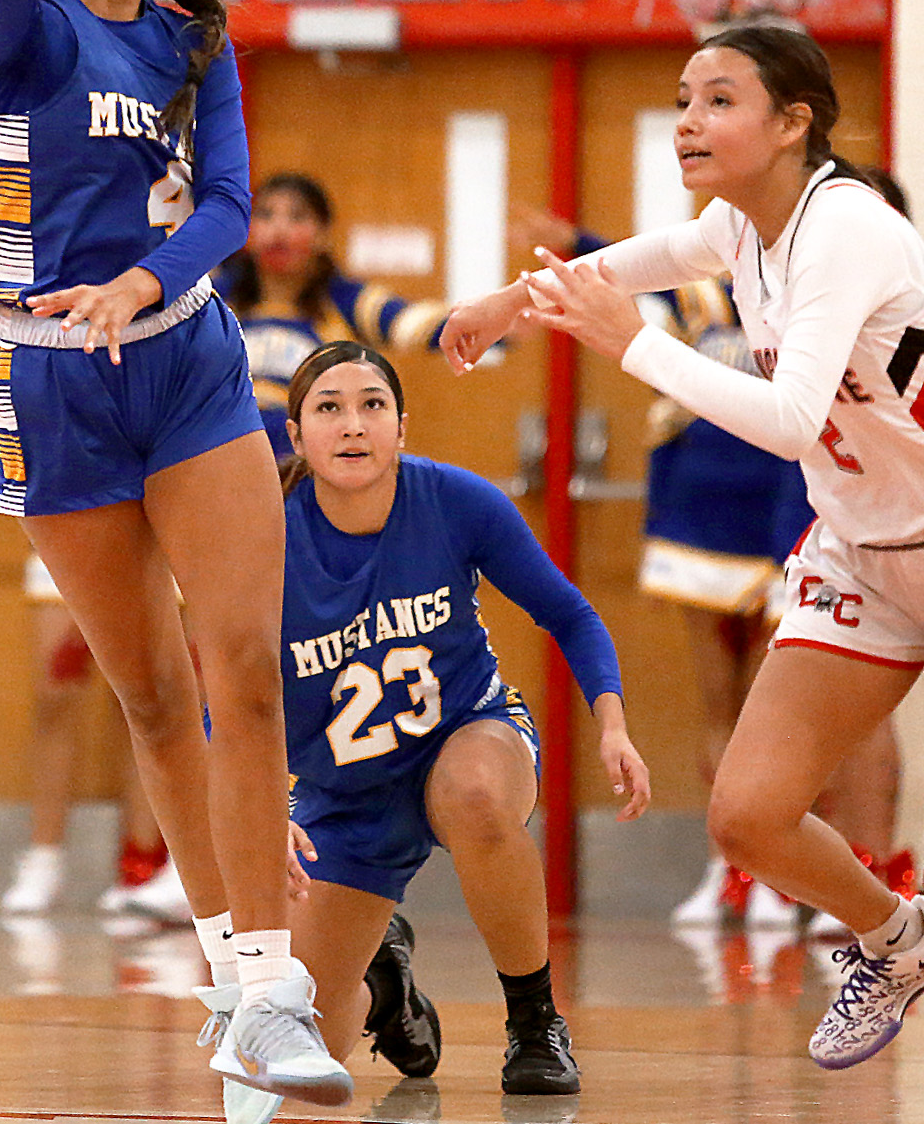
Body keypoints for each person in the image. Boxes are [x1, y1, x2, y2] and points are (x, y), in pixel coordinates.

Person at [442, 22, 924, 1123]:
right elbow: (638, 258)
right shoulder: (740, 221)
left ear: (793, 122)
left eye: (717, 99)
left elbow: (785, 420)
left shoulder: (847, 230)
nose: (687, 118)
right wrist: (509, 301)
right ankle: (896, 938)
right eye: (682, 97)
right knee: (749, 811)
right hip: (863, 551)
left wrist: (623, 343)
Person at [0, 0, 350, 1105]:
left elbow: (226, 199)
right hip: (41, 376)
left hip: (186, 361)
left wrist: (146, 283)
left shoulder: (192, 36)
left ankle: (276, 990)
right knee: (151, 694)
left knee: (245, 668)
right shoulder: (20, 22)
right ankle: (224, 973)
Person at [517, 152, 924, 931]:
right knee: (736, 714)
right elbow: (640, 261)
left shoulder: (912, 302)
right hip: (739, 517)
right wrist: (544, 267)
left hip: (894, 527)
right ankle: (753, 873)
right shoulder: (739, 281)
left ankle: (878, 866)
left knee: (881, 748)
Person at [217, 341, 645, 1119]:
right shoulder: (262, 543)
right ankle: (385, 979)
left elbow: (571, 614)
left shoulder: (457, 501)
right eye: (330, 408)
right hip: (346, 796)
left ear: (402, 427)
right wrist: (261, 813)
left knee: (476, 793)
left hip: (467, 732)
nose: (353, 425)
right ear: (296, 435)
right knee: (298, 1064)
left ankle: (535, 1023)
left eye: (372, 405)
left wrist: (612, 724)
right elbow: (222, 701)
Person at [0, 554, 189, 924]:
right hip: (71, 514)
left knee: (149, 701)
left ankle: (147, 861)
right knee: (54, 690)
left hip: (155, 533)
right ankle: (44, 856)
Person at [216, 172, 449, 457]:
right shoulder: (213, 298)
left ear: (323, 234)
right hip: (222, 461)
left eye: (297, 217)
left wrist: (488, 322)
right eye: (265, 215)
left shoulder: (346, 299)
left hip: (310, 471)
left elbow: (414, 324)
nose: (278, 230)